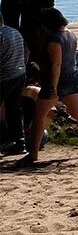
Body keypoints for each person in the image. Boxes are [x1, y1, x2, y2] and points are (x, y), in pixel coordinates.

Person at [26, 7, 78, 162]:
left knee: (38, 117)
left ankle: (33, 154)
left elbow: (56, 65)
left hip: (58, 82)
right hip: (73, 78)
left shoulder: (55, 40)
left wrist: (52, 87)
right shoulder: (71, 34)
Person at [0, 15, 29, 154]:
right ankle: (20, 142)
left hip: (4, 78)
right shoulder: (15, 32)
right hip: (19, 74)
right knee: (14, 109)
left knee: (12, 109)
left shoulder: (0, 36)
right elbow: (26, 52)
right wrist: (23, 65)